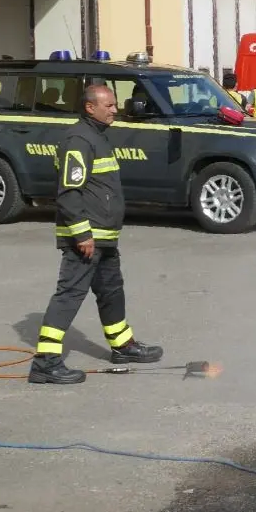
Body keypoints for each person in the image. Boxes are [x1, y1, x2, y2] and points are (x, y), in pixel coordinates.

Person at [29, 84, 163, 384]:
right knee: (70, 294)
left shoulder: (97, 137)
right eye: (109, 105)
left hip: (104, 236)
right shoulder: (78, 141)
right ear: (90, 107)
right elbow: (68, 193)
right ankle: (45, 363)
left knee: (111, 290)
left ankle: (122, 346)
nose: (115, 109)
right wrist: (82, 235)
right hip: (87, 237)